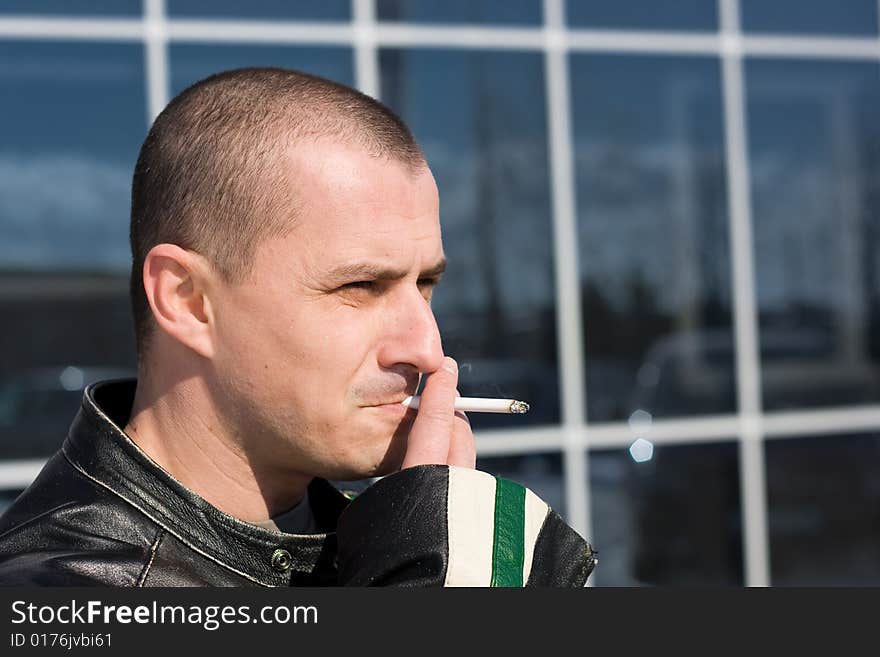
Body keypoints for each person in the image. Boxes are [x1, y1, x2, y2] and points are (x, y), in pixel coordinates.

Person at [0, 67, 596, 586]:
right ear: (187, 300)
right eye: (360, 287)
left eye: (425, 285)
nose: (427, 348)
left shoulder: (370, 544)